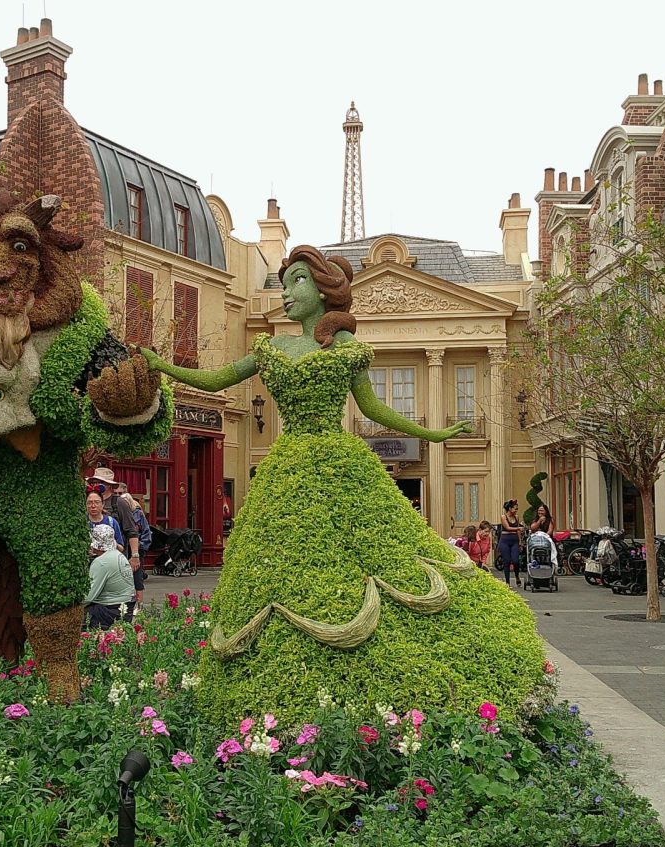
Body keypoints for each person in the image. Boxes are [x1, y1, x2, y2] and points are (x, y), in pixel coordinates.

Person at [137, 244, 545, 723]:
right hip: (288, 470)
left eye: (298, 283)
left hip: (339, 459)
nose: (287, 295)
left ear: (325, 291)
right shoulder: (272, 348)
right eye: (284, 285)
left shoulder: (346, 348)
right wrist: (161, 366)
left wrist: (431, 433)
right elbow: (218, 377)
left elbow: (372, 409)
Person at [87, 467, 143, 608]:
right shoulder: (89, 502)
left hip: (113, 558)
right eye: (94, 481)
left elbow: (131, 531)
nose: (96, 484)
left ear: (110, 486)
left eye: (100, 482)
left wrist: (135, 555)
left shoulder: (119, 503)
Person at [83, 524, 135, 629]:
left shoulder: (101, 562)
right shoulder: (118, 555)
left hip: (110, 610)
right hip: (127, 607)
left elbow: (88, 596)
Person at [116, 483, 153, 605]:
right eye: (116, 494)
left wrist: (139, 548)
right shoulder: (114, 510)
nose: (119, 498)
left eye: (121, 494)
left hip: (135, 550)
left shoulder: (138, 513)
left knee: (137, 579)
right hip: (122, 549)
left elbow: (146, 532)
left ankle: (139, 606)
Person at [499, 499, 523, 585]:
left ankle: (517, 576)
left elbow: (518, 531)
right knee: (507, 561)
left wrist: (520, 541)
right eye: (515, 509)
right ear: (510, 508)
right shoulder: (503, 517)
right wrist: (518, 528)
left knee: (516, 560)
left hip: (514, 540)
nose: (516, 510)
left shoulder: (516, 517)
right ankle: (507, 582)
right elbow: (508, 527)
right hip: (505, 539)